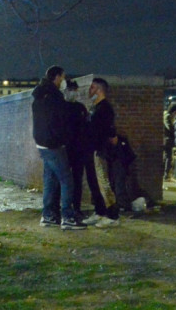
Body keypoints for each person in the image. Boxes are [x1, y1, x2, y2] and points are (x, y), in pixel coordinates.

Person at [32, 66, 86, 230]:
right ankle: (68, 216)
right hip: (54, 144)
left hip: (42, 143)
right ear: (56, 77)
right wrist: (63, 138)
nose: (63, 81)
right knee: (66, 180)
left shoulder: (39, 95)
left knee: (50, 178)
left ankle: (48, 215)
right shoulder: (54, 97)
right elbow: (59, 121)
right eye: (62, 77)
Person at [64, 80, 107, 221]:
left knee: (77, 180)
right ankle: (70, 208)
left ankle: (75, 208)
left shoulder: (81, 108)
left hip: (79, 150)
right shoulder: (71, 108)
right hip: (72, 149)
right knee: (70, 180)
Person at [87, 78, 121, 227]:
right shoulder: (95, 107)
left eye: (93, 88)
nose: (90, 91)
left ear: (99, 90)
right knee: (95, 182)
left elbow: (108, 129)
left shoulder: (105, 108)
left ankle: (112, 215)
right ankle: (100, 211)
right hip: (93, 149)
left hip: (101, 150)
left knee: (104, 182)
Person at [163, 104, 176, 182]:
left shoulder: (168, 116)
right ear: (175, 110)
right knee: (168, 157)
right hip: (167, 140)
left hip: (168, 139)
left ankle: (167, 175)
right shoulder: (167, 116)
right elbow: (170, 128)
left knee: (168, 157)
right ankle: (167, 176)